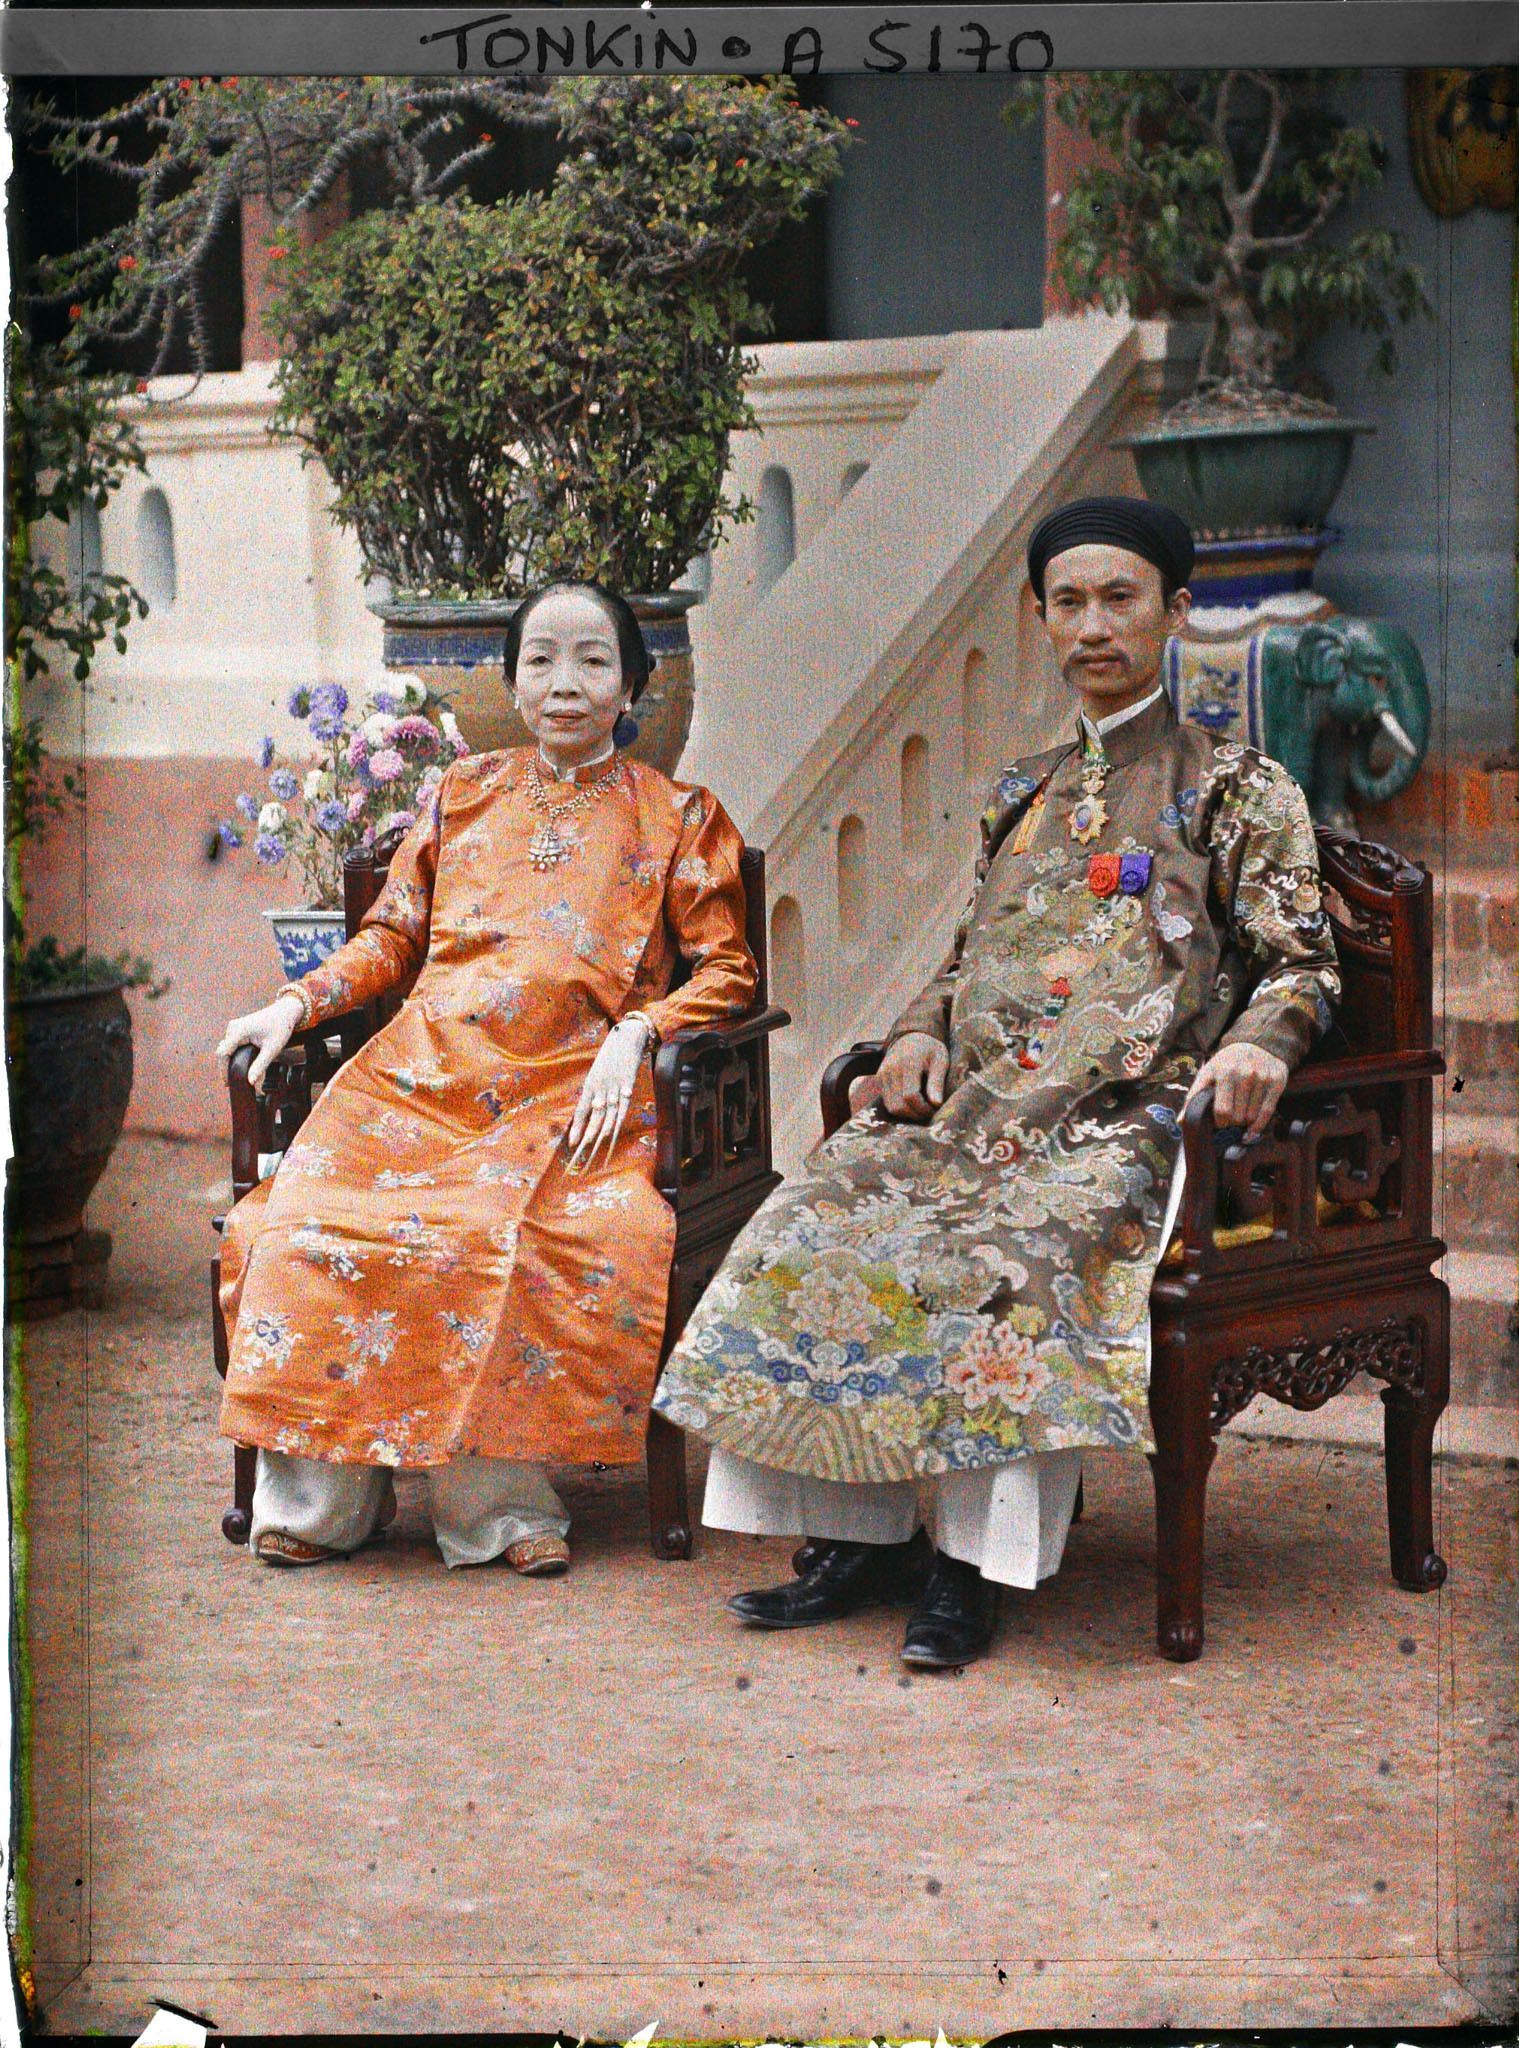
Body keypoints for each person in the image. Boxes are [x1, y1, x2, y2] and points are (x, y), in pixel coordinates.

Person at [652, 496, 1340, 1667]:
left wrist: (1261, 1042)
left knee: (1009, 1263)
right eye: (1067, 601)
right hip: (973, 1106)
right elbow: (965, 954)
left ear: (1174, 610)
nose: (1093, 625)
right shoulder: (1016, 790)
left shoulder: (1236, 787)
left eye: (1120, 597)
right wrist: (920, 1030)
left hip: (1123, 1121)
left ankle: (975, 1566)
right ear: (1038, 617)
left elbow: (1301, 957)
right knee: (809, 1220)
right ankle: (856, 1534)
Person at [216, 581, 757, 1572]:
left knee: (499, 1232)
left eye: (594, 660)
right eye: (541, 659)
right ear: (510, 678)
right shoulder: (460, 796)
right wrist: (296, 1004)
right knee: (296, 1223)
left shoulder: (679, 814)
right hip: (416, 1079)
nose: (565, 684)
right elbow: (390, 937)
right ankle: (328, 1497)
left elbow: (727, 968)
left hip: (567, 1090)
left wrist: (639, 1031)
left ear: (632, 681)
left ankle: (497, 1504)